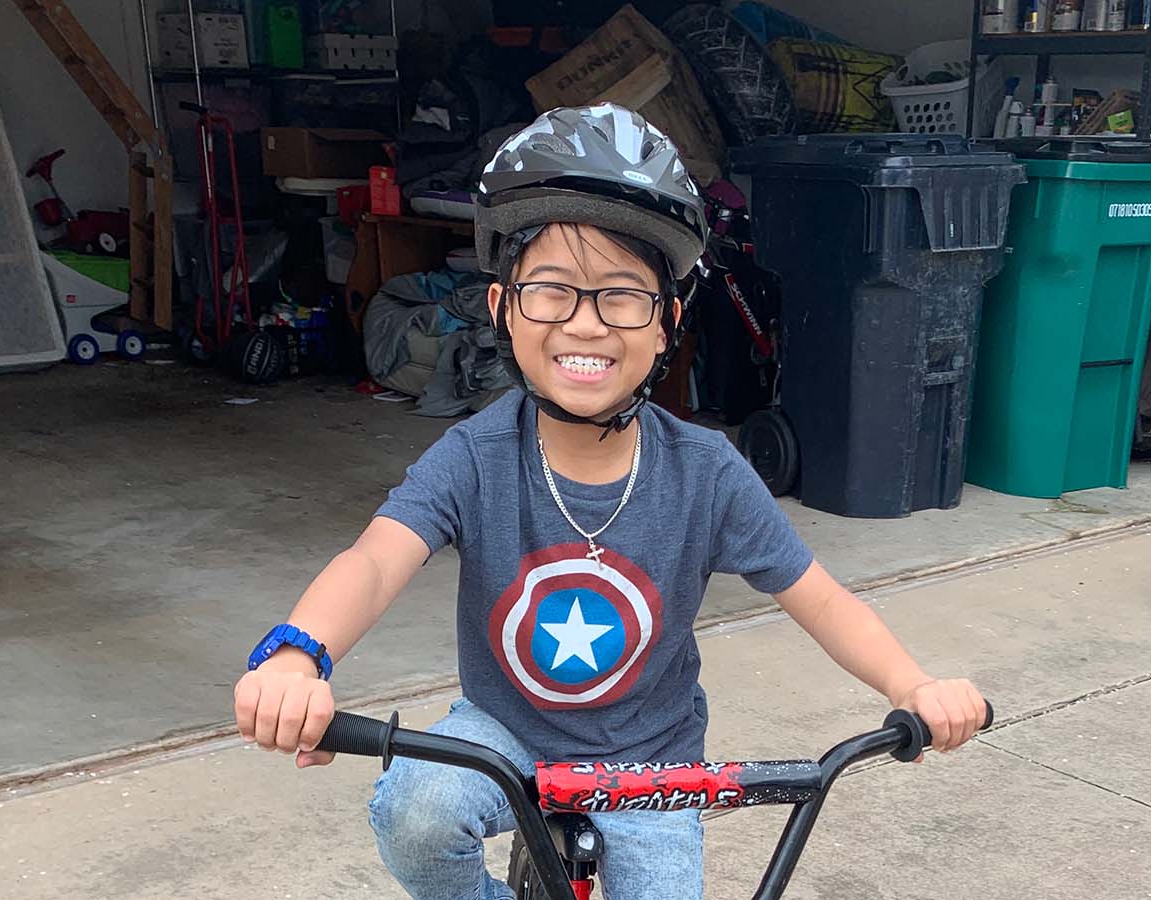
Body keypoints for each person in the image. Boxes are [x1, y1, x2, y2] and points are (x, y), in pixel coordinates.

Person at [233, 104, 988, 900]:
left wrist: (914, 688)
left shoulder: (708, 472)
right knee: (419, 814)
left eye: (622, 296)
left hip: (650, 763)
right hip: (501, 735)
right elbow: (376, 560)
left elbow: (824, 600)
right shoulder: (474, 456)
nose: (585, 325)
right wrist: (298, 654)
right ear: (501, 310)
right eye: (551, 291)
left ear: (666, 324)